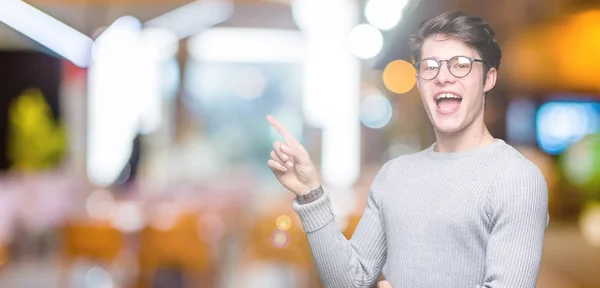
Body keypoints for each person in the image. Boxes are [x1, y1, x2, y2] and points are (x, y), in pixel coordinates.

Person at [266, 10, 549, 288]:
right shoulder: (393, 175)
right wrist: (310, 193)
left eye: (460, 64)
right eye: (430, 66)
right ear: (419, 81)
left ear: (489, 78)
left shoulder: (517, 178)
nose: (443, 77)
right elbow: (351, 281)